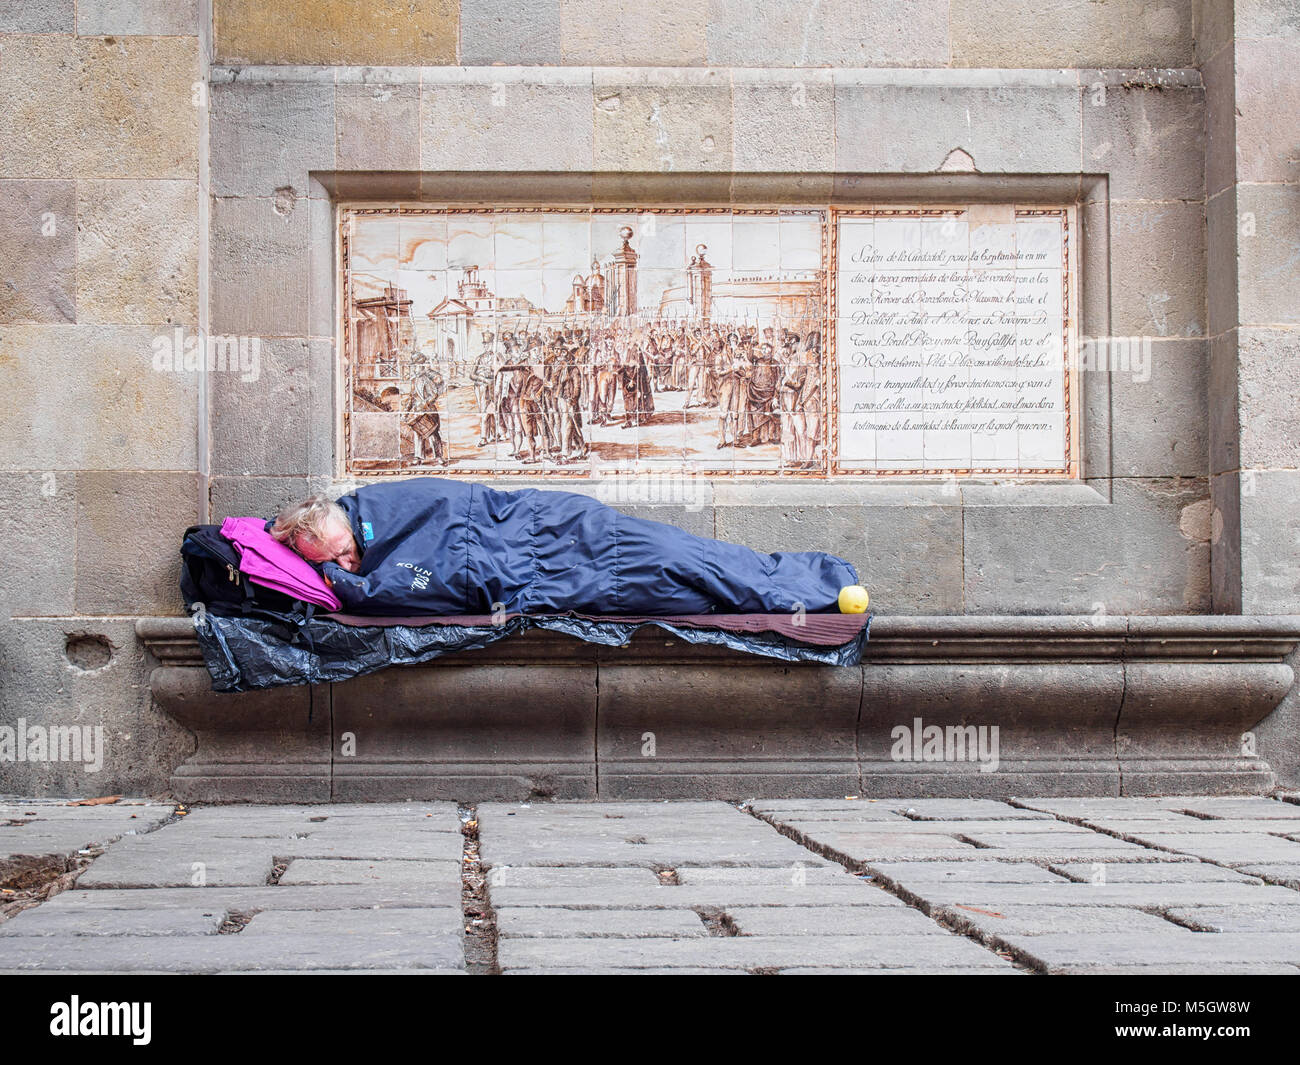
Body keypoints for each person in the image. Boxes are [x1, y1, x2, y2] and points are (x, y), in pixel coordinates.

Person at [269, 479, 867, 617]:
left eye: (342, 555)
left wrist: (353, 581)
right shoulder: (368, 559)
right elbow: (434, 582)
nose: (348, 566)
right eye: (337, 566)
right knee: (670, 582)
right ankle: (794, 589)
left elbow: (456, 528)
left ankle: (804, 583)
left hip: (562, 528)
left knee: (676, 555)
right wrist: (350, 582)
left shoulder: (384, 507)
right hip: (552, 565)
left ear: (331, 523)